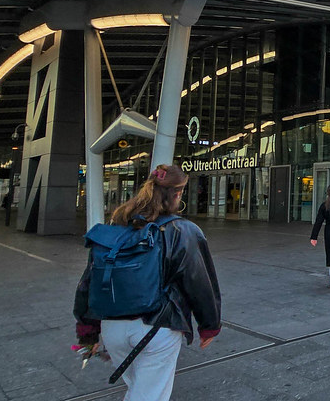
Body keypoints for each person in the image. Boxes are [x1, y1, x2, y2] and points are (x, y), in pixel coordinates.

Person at [74, 165, 221, 401]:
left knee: (138, 390)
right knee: (150, 395)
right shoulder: (182, 230)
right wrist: (209, 325)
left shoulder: (116, 228)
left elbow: (89, 281)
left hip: (112, 327)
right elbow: (199, 282)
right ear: (177, 194)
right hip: (158, 326)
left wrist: (87, 331)